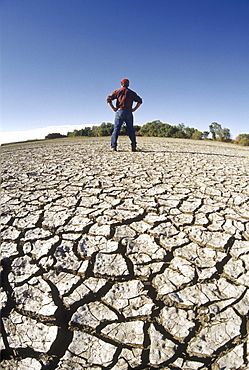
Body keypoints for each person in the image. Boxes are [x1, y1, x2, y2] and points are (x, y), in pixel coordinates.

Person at [106, 79, 142, 151]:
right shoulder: (131, 93)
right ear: (128, 84)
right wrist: (134, 109)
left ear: (121, 84)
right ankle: (133, 146)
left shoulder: (117, 91)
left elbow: (108, 99)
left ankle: (113, 146)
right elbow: (140, 101)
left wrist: (113, 108)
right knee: (131, 129)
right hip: (129, 112)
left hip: (119, 111)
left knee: (116, 129)